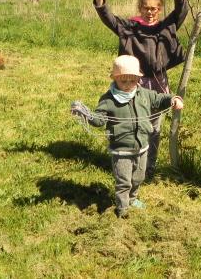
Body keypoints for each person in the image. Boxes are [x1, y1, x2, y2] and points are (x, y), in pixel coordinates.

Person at [92, 0, 188, 179]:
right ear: (140, 8)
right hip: (133, 84)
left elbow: (181, 11)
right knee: (132, 123)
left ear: (160, 9)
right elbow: (108, 18)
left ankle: (148, 166)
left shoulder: (166, 27)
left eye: (154, 8)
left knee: (154, 127)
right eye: (145, 7)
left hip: (159, 83)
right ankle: (128, 162)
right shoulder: (129, 27)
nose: (150, 12)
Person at [72, 55, 184, 218]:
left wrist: (173, 99)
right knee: (124, 181)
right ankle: (123, 208)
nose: (127, 85)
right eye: (123, 81)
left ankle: (132, 199)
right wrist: (86, 115)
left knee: (138, 177)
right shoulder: (109, 100)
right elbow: (99, 120)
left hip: (142, 146)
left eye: (132, 81)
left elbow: (159, 99)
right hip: (121, 150)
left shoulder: (144, 94)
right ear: (115, 79)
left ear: (138, 79)